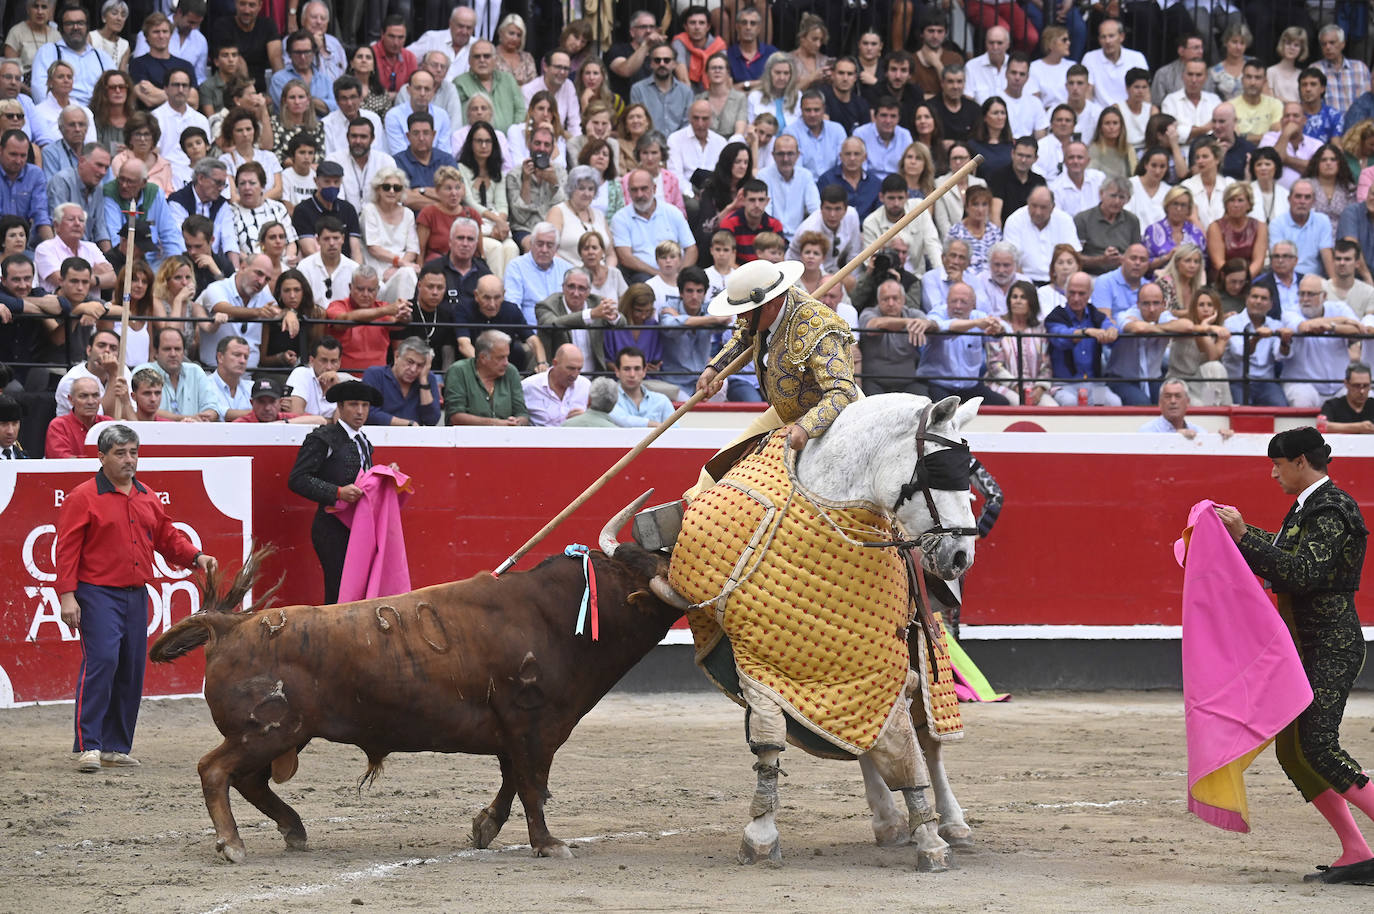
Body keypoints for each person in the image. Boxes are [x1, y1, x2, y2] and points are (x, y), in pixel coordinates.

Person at [1212, 427, 1374, 883]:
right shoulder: (1309, 507)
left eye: (1277, 464)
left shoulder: (1332, 508)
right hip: (1305, 646)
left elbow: (1302, 572)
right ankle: (1356, 851)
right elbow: (1286, 553)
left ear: (1300, 461)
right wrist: (1237, 533)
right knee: (1294, 750)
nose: (1273, 473)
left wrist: (1243, 537)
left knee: (1317, 746)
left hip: (1332, 646)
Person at [56, 422, 214, 770]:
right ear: (102, 457)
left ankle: (114, 745)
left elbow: (167, 537)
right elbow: (66, 549)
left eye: (133, 452)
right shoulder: (83, 497)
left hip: (136, 594)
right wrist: (68, 595)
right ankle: (90, 744)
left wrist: (196, 556)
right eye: (120, 453)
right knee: (103, 661)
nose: (129, 459)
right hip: (96, 593)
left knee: (130, 667)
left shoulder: (147, 496)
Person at [696, 257, 858, 459]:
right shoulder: (764, 312)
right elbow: (744, 336)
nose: (739, 319)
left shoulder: (817, 327)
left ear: (769, 305)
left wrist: (806, 427)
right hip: (784, 413)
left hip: (832, 417)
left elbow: (842, 391)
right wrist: (715, 368)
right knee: (718, 465)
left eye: (743, 312)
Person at [287, 378, 381, 604]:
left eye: (365, 405)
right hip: (331, 528)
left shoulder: (364, 441)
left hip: (359, 526)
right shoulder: (323, 438)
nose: (360, 411)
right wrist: (337, 492)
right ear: (340, 406)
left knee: (356, 589)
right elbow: (298, 479)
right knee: (339, 588)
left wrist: (383, 475)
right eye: (353, 404)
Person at [1279, 276, 1362, 408]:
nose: (1305, 299)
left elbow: (1358, 329)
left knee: (1366, 397)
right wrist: (1341, 320)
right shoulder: (1290, 311)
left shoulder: (1339, 307)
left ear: (1324, 296)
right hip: (1302, 383)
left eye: (1310, 294)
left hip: (1340, 386)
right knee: (1302, 399)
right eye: (1301, 294)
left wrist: (1332, 328)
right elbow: (1305, 327)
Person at [1046, 271, 1122, 405]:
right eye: (1072, 293)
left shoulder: (1095, 315)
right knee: (1069, 402)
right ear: (1065, 292)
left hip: (1094, 384)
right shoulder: (1055, 316)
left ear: (1090, 294)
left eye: (1081, 294)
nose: (1076, 298)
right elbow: (1061, 338)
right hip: (1064, 384)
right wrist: (1085, 332)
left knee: (1113, 403)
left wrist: (1112, 331)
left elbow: (1110, 327)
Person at [444, 329, 530, 426]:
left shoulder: (511, 371)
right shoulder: (459, 371)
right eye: (500, 358)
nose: (506, 363)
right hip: (466, 434)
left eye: (507, 357)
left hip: (506, 434)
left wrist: (518, 422)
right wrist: (496, 423)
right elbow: (455, 417)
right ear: (483, 358)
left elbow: (522, 413)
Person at [134, 326, 222, 421]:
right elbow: (140, 410)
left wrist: (204, 417)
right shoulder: (144, 371)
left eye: (177, 349)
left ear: (184, 352)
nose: (173, 354)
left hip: (195, 429)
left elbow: (213, 408)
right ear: (156, 352)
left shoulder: (196, 372)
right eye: (167, 349)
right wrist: (186, 420)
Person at [1166, 285, 1234, 406]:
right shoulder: (1185, 325)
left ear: (1216, 308)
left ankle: (1221, 408)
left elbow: (1213, 356)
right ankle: (1210, 407)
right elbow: (1186, 327)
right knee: (1198, 405)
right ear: (1194, 308)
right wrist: (1204, 328)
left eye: (1210, 305)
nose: (1205, 309)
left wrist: (1205, 327)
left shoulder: (1219, 330)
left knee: (1215, 367)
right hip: (1179, 383)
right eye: (1201, 305)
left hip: (1201, 382)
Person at [1223, 282, 1289, 406]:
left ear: (1271, 305)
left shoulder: (1276, 325)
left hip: (1266, 383)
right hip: (1238, 381)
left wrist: (1285, 341)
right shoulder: (1231, 323)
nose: (1258, 301)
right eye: (1254, 297)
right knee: (1243, 413)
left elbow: (1280, 356)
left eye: (1264, 298)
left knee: (1282, 409)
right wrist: (1256, 338)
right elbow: (1239, 353)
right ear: (1246, 299)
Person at [360, 336, 439, 427]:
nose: (413, 369)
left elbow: (432, 420)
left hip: (414, 435)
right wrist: (407, 424)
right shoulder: (375, 374)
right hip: (379, 434)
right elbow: (368, 413)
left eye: (420, 365)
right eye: (410, 362)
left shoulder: (427, 378)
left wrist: (423, 382)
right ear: (397, 356)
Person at [521, 343, 589, 426]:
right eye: (571, 368)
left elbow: (598, 417)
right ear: (555, 363)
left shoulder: (586, 386)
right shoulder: (529, 386)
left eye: (579, 369)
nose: (575, 374)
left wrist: (586, 417)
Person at [1319, 363, 1374, 433]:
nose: (1362, 391)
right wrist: (1359, 427)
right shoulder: (1332, 405)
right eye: (1356, 385)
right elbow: (1322, 426)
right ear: (1346, 384)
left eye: (1366, 385)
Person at [1138, 379, 1205, 435]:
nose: (1173, 401)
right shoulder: (1147, 432)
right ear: (1160, 403)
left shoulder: (1199, 433)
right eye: (1168, 396)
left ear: (1187, 402)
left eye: (1178, 396)